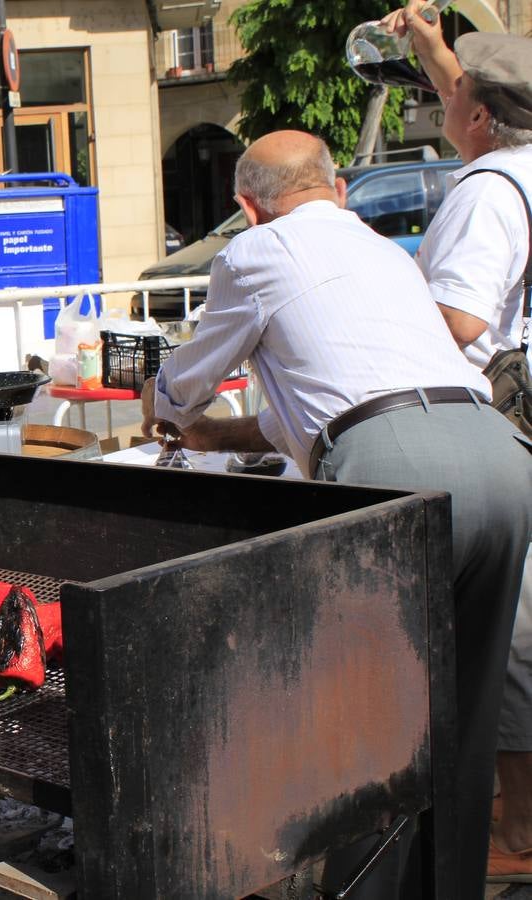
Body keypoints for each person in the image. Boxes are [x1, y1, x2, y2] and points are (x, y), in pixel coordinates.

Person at [140, 129, 532, 900]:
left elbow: (188, 382)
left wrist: (166, 407)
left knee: (367, 717)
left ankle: (364, 891)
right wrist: (219, 432)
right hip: (501, 456)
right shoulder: (387, 253)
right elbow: (347, 396)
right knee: (465, 709)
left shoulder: (254, 254)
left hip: (393, 469)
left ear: (247, 207)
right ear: (339, 188)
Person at [384, 9, 532, 881]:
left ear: (479, 117)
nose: (445, 97)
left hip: (487, 413)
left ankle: (518, 833)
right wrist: (434, 44)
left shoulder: (487, 190)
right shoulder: (519, 156)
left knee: (506, 626)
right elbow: (473, 90)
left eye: (456, 92)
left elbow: (463, 317)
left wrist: (380, 309)